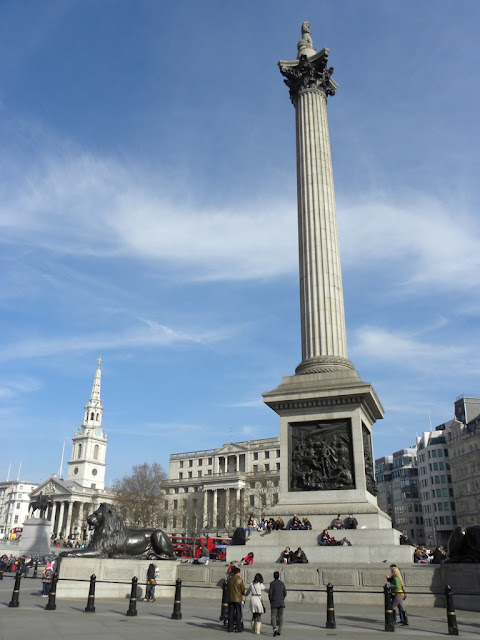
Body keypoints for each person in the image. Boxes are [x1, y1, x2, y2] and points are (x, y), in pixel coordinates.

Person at [227, 566, 245, 632]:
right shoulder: (240, 580)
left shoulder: (230, 580)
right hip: (238, 599)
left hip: (231, 598)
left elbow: (228, 589)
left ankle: (230, 627)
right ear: (238, 573)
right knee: (238, 613)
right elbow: (243, 590)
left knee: (230, 613)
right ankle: (238, 627)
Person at [268, 570, 287, 637]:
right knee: (280, 616)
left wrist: (271, 600)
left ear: (274, 576)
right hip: (281, 602)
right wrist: (282, 598)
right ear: (279, 576)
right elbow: (285, 593)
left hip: (274, 602)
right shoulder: (282, 583)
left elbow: (270, 594)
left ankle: (274, 629)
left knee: (273, 616)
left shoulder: (272, 584)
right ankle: (279, 630)